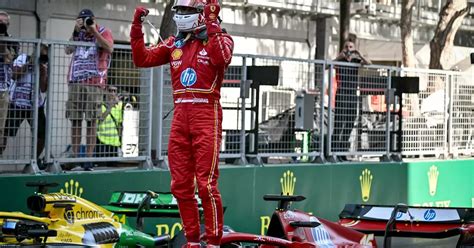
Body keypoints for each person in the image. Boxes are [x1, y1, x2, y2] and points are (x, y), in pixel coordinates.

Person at [130, 0, 234, 246]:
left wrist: (212, 24)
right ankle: (191, 241)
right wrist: (136, 27)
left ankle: (213, 242)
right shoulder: (175, 43)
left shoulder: (220, 39)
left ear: (202, 13)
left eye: (187, 11)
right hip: (180, 116)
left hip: (206, 114)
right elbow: (142, 59)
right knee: (180, 186)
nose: (181, 15)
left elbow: (223, 58)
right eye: (179, 10)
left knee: (206, 184)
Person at [65, 9, 114, 170]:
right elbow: (67, 49)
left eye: (87, 20)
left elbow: (109, 47)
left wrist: (93, 31)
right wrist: (75, 30)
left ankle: (88, 158)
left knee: (92, 121)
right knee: (76, 120)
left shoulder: (102, 31)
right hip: (76, 81)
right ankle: (74, 157)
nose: (84, 22)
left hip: (94, 83)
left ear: (93, 19)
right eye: (81, 20)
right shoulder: (77, 34)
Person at [6, 44, 48, 165]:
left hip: (35, 106)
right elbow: (14, 75)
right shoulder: (22, 58)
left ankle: (33, 160)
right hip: (17, 103)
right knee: (6, 132)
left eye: (45, 55)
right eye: (41, 54)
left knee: (42, 134)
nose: (43, 57)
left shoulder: (45, 64)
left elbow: (44, 88)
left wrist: (43, 71)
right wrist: (29, 63)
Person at [332, 39, 371, 161]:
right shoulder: (340, 60)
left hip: (352, 93)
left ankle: (342, 150)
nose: (349, 49)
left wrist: (359, 54)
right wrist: (340, 56)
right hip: (342, 93)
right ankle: (334, 151)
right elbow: (328, 65)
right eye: (347, 47)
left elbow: (369, 63)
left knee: (350, 120)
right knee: (339, 122)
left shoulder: (356, 60)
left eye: (351, 47)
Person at [0, 10, 18, 155]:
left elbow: (9, 59)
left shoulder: (12, 41)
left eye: (4, 23)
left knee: (1, 127)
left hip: (2, 89)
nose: (1, 25)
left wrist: (3, 40)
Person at [95, 86, 123, 166]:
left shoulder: (119, 106)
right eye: (110, 91)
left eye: (115, 91)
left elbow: (119, 123)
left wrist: (120, 140)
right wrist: (110, 106)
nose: (113, 93)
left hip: (114, 142)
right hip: (102, 141)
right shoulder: (101, 104)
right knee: (101, 167)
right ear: (106, 91)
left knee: (113, 167)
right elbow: (100, 120)